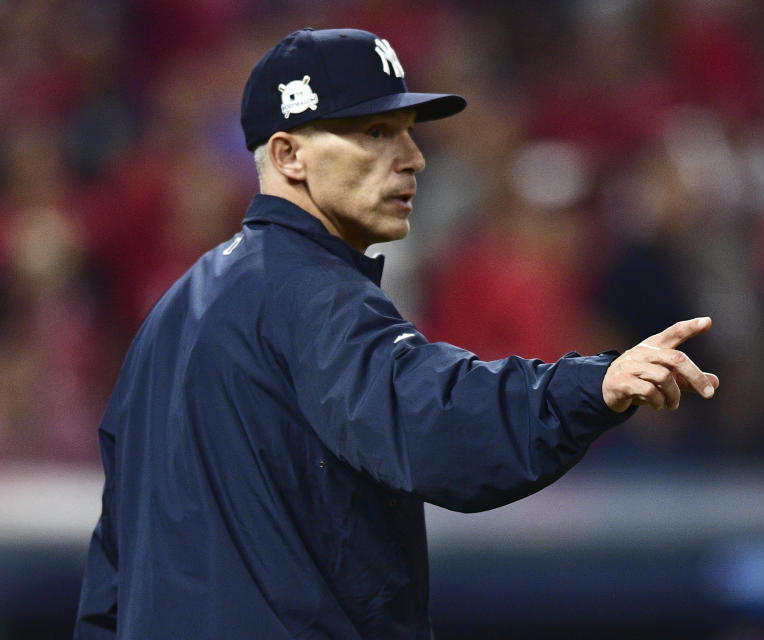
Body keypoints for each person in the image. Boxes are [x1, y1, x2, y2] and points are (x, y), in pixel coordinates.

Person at [73, 28, 719, 639]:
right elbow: (433, 421)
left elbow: (111, 580)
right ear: (288, 154)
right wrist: (587, 385)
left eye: (407, 132)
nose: (413, 158)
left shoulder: (170, 317)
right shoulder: (310, 293)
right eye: (377, 132)